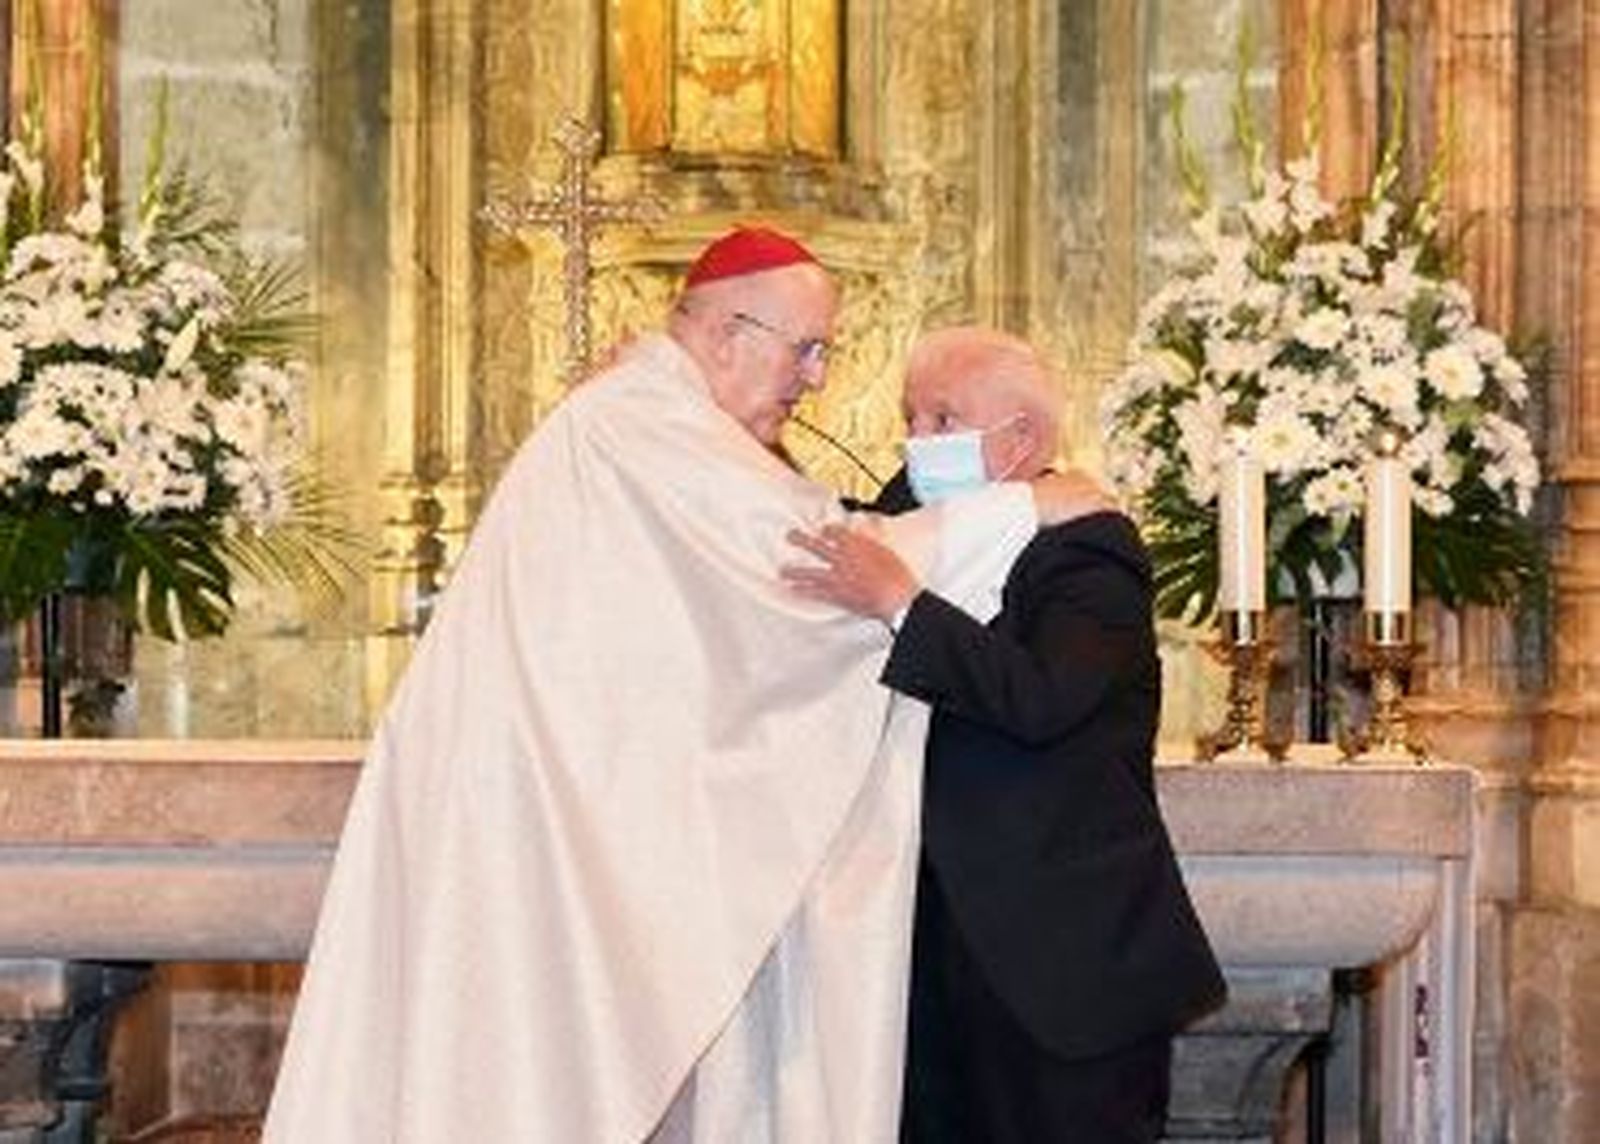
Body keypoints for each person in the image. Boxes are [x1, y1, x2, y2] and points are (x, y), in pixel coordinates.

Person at [264, 231, 1104, 1143]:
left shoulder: (651, 413)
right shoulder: (645, 422)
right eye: (808, 348)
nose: (817, 377)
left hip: (548, 808)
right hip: (529, 823)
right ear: (728, 333)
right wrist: (1027, 506)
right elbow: (811, 572)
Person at [784, 326, 1227, 1143]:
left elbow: (1042, 698)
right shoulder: (916, 520)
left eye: (943, 418)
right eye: (910, 416)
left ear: (1021, 438)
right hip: (925, 962)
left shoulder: (1089, 547)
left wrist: (903, 605)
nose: (918, 440)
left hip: (1059, 966)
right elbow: (807, 537)